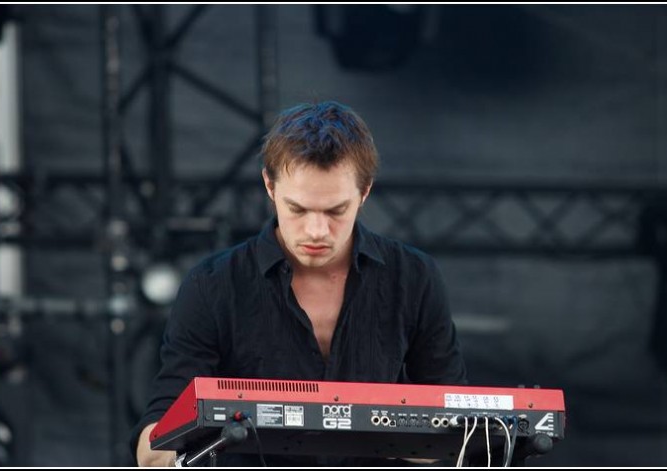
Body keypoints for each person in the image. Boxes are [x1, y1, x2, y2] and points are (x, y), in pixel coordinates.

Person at [132, 101, 467, 467]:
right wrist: (163, 457)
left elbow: (454, 427)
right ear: (269, 186)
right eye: (298, 209)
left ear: (365, 192)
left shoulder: (414, 277)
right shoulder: (212, 285)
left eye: (336, 211)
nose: (316, 231)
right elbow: (161, 432)